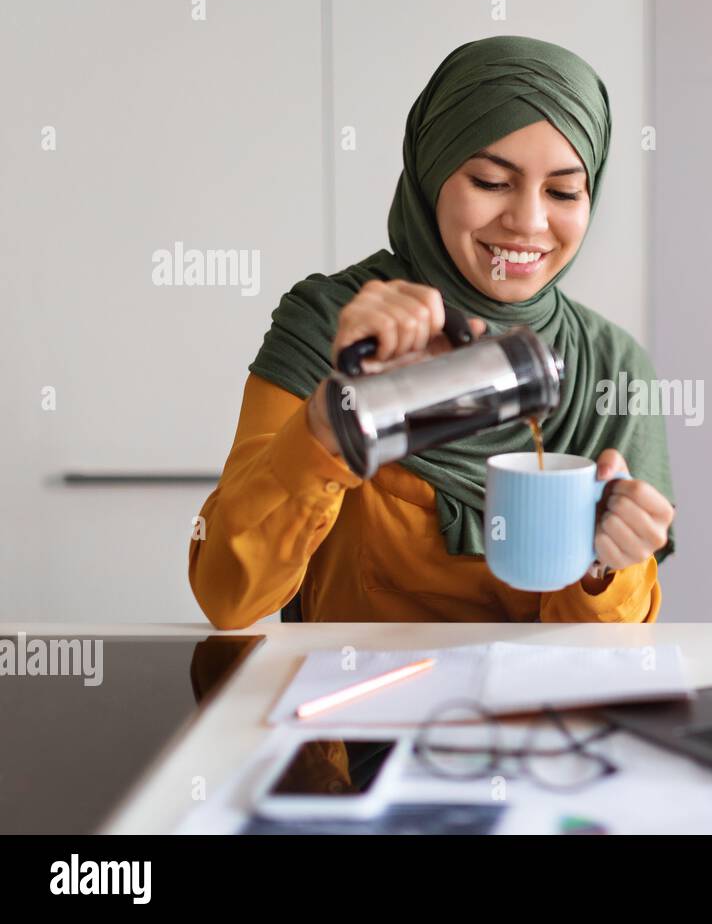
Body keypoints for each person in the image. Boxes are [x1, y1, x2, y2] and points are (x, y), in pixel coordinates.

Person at [189, 36, 676, 629]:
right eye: (492, 182)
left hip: (535, 718)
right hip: (350, 713)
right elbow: (226, 594)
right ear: (431, 172)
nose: (528, 221)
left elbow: (605, 655)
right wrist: (337, 419)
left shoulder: (611, 368)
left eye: (563, 191)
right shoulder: (335, 324)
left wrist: (608, 565)